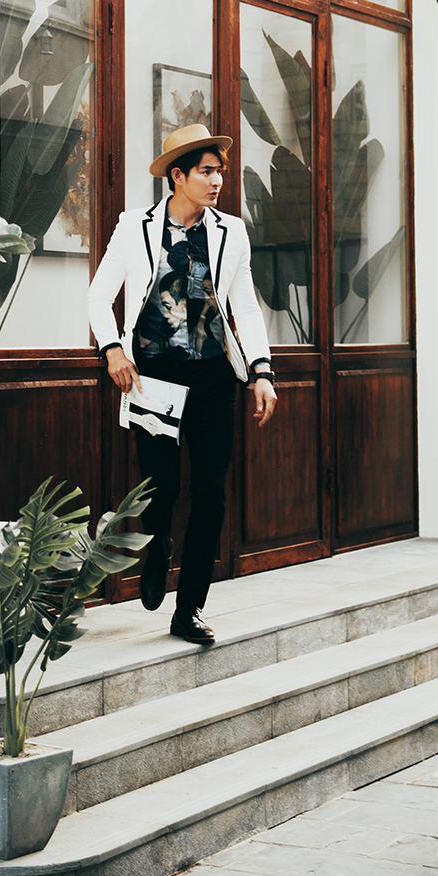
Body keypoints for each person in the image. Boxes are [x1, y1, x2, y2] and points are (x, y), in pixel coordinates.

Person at [88, 123, 277, 645]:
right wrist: (112, 349)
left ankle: (188, 608)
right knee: (163, 487)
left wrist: (261, 371)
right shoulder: (135, 227)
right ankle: (157, 547)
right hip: (152, 375)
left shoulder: (231, 232)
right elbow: (98, 296)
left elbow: (245, 307)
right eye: (206, 172)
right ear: (177, 176)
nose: (217, 181)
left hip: (213, 375)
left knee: (211, 492)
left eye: (220, 172)